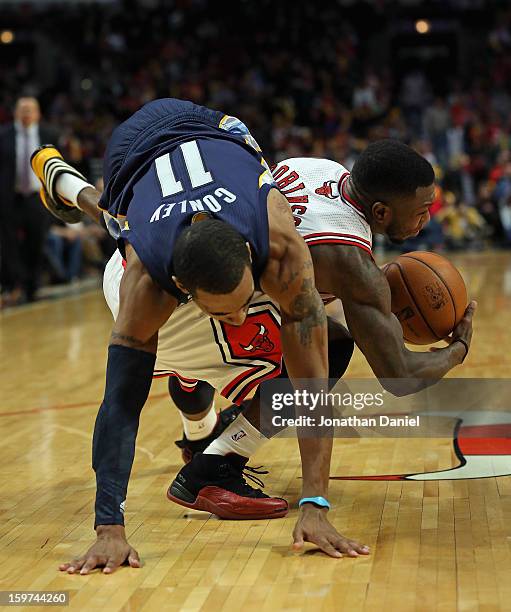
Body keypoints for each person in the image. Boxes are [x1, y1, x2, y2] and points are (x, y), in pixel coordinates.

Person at [34, 134, 475, 572]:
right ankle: (215, 465)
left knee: (290, 308)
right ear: (380, 212)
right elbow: (399, 375)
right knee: (328, 345)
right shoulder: (348, 259)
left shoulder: (316, 166)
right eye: (421, 212)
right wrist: (457, 348)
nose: (426, 220)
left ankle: (198, 416)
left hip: (141, 261)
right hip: (180, 307)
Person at [31, 97, 337, 572]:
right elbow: (119, 405)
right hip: (132, 147)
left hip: (215, 128)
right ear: (178, 289)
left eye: (243, 302)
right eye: (223, 313)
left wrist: (316, 504)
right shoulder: (147, 282)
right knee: (122, 223)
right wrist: (109, 529)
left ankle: (65, 183)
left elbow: (313, 384)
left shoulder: (280, 247)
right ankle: (69, 185)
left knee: (312, 340)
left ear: (254, 261)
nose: (240, 318)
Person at [0, 96, 58, 304]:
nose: (26, 113)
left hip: (38, 198)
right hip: (10, 199)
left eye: (30, 109)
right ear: (15, 112)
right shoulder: (4, 135)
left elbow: (57, 167)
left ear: (38, 113)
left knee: (36, 243)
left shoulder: (48, 134)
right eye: (22, 109)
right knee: (9, 245)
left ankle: (32, 287)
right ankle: (18, 284)